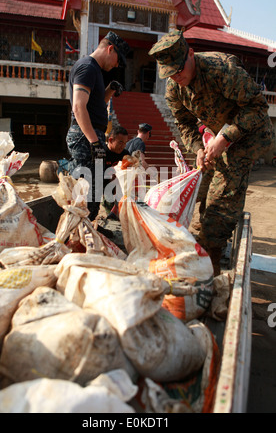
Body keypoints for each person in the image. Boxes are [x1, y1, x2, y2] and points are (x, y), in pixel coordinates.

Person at [149, 29, 275, 275]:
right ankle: (202, 244)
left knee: (220, 205)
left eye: (179, 69)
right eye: (169, 73)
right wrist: (197, 149)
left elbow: (258, 108)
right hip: (216, 137)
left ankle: (211, 264)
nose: (176, 77)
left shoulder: (222, 71)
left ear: (191, 55)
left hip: (248, 135)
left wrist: (226, 138)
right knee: (200, 189)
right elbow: (184, 125)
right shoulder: (175, 89)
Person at [66, 31, 130, 229]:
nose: (116, 65)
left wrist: (109, 90)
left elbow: (96, 105)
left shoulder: (95, 71)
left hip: (92, 134)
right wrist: (94, 142)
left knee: (94, 193)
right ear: (110, 49)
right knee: (85, 193)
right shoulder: (87, 67)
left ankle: (87, 231)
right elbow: (78, 107)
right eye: (118, 60)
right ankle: (75, 235)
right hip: (85, 137)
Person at [103, 125, 129, 220]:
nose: (123, 146)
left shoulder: (125, 154)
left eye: (125, 143)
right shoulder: (102, 153)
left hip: (121, 192)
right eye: (120, 142)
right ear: (110, 140)